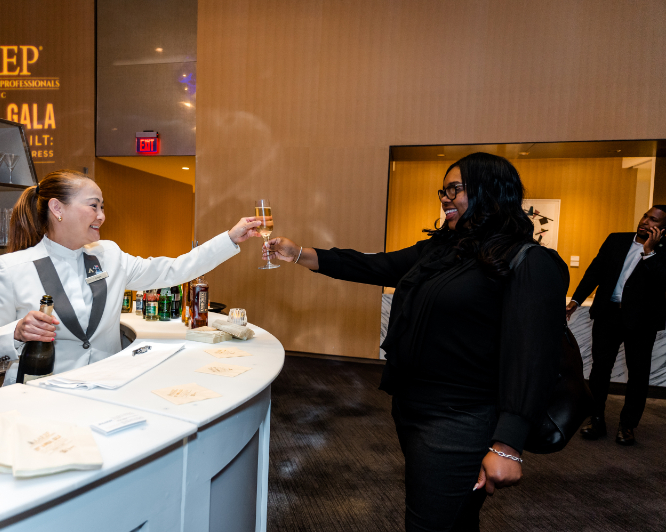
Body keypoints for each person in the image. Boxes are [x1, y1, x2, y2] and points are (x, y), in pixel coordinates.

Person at [263, 153, 568, 531]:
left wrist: (507, 445)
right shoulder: (443, 250)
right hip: (415, 409)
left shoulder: (529, 261)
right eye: (444, 190)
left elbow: (532, 358)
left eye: (455, 188)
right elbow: (374, 265)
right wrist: (298, 255)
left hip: (462, 418)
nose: (445, 197)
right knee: (456, 519)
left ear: (490, 191)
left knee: (430, 523)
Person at [0, 170, 262, 385]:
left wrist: (230, 238)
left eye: (102, 206)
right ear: (57, 208)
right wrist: (16, 331)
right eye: (93, 205)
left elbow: (175, 269)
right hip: (40, 396)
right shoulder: (10, 268)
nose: (102, 215)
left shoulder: (109, 255)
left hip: (108, 390)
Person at [567, 206, 666, 445]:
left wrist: (649, 253)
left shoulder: (662, 252)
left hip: (641, 322)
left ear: (662, 229)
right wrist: (575, 300)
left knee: (639, 374)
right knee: (600, 370)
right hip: (608, 315)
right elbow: (595, 272)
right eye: (646, 216)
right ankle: (596, 419)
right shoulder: (616, 240)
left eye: (653, 220)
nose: (645, 222)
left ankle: (628, 425)